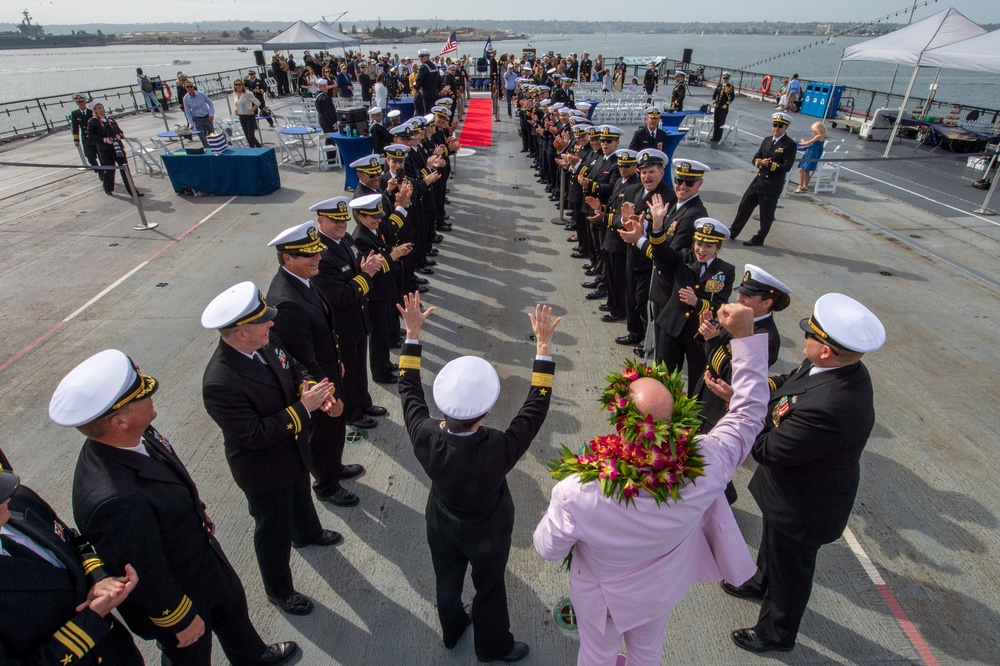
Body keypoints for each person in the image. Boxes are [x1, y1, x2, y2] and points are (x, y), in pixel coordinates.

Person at [534, 302, 769, 666]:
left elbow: (548, 548)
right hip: (658, 592)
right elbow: (749, 414)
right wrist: (744, 337)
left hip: (602, 596)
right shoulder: (704, 465)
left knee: (597, 656)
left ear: (620, 422)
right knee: (647, 655)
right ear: (678, 421)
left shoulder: (578, 491)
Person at [50, 349, 299, 665]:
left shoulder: (136, 435)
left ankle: (253, 656)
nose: (151, 395)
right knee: (191, 654)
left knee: (233, 610)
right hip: (180, 595)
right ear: (119, 421)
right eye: (142, 395)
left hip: (201, 559)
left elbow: (169, 478)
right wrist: (178, 620)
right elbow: (144, 573)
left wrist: (195, 509)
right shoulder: (113, 500)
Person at [396, 292, 560, 663]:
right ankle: (493, 647)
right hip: (488, 529)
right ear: (484, 412)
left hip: (441, 523)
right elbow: (535, 406)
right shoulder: (498, 447)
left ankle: (452, 630)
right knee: (489, 588)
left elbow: (407, 390)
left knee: (447, 581)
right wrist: (543, 347)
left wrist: (412, 334)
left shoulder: (425, 434)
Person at [725, 293, 885, 654]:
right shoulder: (833, 367)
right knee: (772, 549)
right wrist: (754, 390)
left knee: (790, 572)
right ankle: (759, 580)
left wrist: (743, 407)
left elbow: (767, 450)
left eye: (810, 336)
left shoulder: (830, 406)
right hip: (788, 491)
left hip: (803, 505)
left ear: (826, 350)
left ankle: (775, 633)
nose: (805, 340)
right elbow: (790, 382)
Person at [201, 282, 345, 617]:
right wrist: (303, 408)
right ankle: (279, 591)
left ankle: (308, 533)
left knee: (300, 493)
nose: (271, 324)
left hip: (291, 449)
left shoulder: (265, 341)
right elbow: (253, 434)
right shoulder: (220, 382)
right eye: (263, 322)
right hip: (262, 468)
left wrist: (306, 385)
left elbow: (291, 365)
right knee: (273, 529)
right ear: (240, 333)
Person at [0, 452, 144, 665]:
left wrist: (99, 577)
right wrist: (91, 620)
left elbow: (72, 541)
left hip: (116, 651)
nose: (6, 497)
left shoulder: (18, 500)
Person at [265, 222, 364, 506]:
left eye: (317, 252)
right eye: (309, 255)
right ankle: (327, 485)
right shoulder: (286, 301)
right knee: (322, 434)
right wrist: (327, 394)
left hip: (329, 370)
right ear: (287, 259)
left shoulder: (303, 281)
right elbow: (302, 356)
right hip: (317, 383)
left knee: (333, 432)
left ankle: (334, 467)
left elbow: (322, 331)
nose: (318, 258)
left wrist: (338, 360)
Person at [696, 264, 791, 504]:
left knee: (713, 457)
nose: (739, 298)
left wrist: (712, 341)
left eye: (748, 296)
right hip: (707, 393)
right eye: (741, 292)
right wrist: (708, 335)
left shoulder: (765, 337)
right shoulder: (742, 317)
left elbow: (733, 375)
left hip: (722, 405)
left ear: (767, 302)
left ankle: (724, 498)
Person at [620, 211, 735, 395]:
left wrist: (697, 303)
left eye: (708, 246)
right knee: (664, 376)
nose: (701, 250)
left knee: (698, 380)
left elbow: (720, 307)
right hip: (671, 326)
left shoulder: (725, 271)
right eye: (699, 244)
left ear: (718, 248)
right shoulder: (682, 258)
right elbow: (661, 252)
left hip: (699, 333)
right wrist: (657, 226)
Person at [311, 196, 389, 430]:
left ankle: (363, 403)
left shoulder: (345, 240)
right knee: (347, 372)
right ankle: (352, 413)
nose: (341, 226)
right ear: (321, 221)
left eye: (343, 220)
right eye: (335, 221)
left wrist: (364, 272)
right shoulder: (322, 256)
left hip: (358, 318)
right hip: (341, 325)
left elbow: (358, 270)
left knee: (359, 368)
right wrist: (366, 275)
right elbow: (341, 295)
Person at [350, 193, 413, 384]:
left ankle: (385, 364)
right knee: (378, 336)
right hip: (374, 295)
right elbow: (373, 269)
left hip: (385, 289)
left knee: (384, 332)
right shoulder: (360, 239)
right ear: (361, 217)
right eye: (373, 217)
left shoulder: (374, 231)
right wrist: (394, 255)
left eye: (379, 215)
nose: (379, 220)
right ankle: (381, 373)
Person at [729, 112, 797, 247]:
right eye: (775, 125)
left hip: (772, 185)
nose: (776, 128)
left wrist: (769, 164)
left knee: (766, 215)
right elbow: (756, 157)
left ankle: (759, 238)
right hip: (758, 181)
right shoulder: (767, 140)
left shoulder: (789, 145)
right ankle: (733, 231)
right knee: (744, 206)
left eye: (780, 126)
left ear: (785, 128)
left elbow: (787, 166)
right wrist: (759, 162)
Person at [86, 100, 140, 197]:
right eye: (99, 108)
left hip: (118, 148)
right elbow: (91, 137)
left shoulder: (110, 120)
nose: (102, 110)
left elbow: (120, 132)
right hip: (106, 149)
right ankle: (108, 188)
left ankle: (133, 191)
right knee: (109, 170)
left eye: (102, 107)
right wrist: (104, 140)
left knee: (125, 169)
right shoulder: (93, 122)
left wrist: (119, 136)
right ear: (95, 111)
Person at [70, 92, 99, 175]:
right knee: (90, 157)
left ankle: (104, 171)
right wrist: (76, 140)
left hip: (95, 137)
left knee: (100, 155)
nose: (81, 104)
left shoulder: (92, 112)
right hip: (86, 138)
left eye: (82, 101)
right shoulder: (75, 114)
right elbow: (75, 127)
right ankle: (98, 170)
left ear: (85, 102)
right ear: (76, 103)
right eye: (79, 102)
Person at [794, 122, 827, 194]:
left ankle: (800, 186)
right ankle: (805, 186)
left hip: (811, 155)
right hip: (811, 153)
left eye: (814, 130)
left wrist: (802, 141)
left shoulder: (818, 136)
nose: (813, 132)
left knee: (801, 169)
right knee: (806, 170)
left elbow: (808, 143)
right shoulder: (821, 136)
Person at [182, 81, 215, 148]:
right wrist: (191, 123)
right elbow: (187, 112)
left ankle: (214, 147)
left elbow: (210, 103)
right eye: (187, 87)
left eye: (191, 86)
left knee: (211, 134)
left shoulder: (201, 94)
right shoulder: (185, 99)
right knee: (202, 136)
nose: (190, 88)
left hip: (207, 117)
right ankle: (207, 150)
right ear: (185, 88)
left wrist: (211, 114)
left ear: (193, 87)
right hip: (197, 119)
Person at [233, 78, 262, 148]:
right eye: (236, 85)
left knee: (251, 136)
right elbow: (236, 104)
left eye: (239, 84)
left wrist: (252, 110)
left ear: (242, 85)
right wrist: (235, 109)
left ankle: (260, 148)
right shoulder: (235, 94)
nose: (238, 86)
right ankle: (252, 151)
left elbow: (258, 102)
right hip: (241, 117)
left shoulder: (247, 94)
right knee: (247, 137)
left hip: (249, 117)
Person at [711, 72, 736, 143]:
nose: (725, 79)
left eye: (727, 78)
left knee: (721, 123)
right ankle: (714, 137)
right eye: (724, 78)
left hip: (723, 107)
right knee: (716, 122)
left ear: (728, 79)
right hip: (717, 106)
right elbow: (714, 95)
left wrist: (727, 104)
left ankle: (718, 137)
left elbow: (732, 97)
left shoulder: (730, 87)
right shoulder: (719, 85)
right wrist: (714, 102)